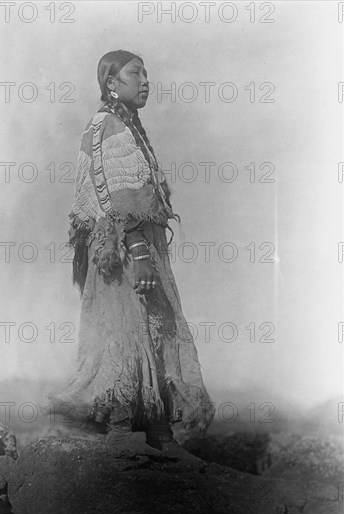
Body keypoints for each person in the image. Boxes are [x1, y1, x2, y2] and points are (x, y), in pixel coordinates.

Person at [47, 50, 215, 462]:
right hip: (121, 250)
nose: (145, 81)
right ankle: (121, 431)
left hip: (139, 244)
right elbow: (119, 197)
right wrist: (139, 252)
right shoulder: (107, 125)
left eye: (146, 74)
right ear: (110, 82)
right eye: (136, 73)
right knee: (126, 331)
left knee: (155, 328)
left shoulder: (130, 125)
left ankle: (159, 434)